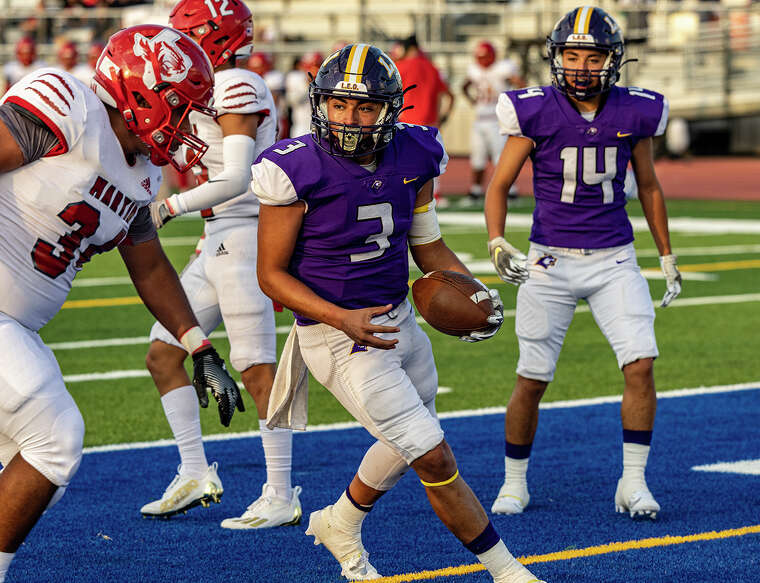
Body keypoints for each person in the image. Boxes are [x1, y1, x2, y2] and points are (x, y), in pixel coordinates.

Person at [253, 43, 544, 583]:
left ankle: (340, 521)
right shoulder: (293, 168)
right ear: (320, 103)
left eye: (364, 107)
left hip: (400, 320)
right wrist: (342, 319)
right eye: (339, 105)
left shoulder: (416, 153)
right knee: (431, 455)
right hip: (335, 334)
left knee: (407, 435)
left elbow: (427, 245)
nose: (349, 118)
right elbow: (271, 275)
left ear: (390, 109)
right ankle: (507, 572)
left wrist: (470, 290)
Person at [0, 24, 240, 582]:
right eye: (179, 107)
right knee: (55, 440)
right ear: (140, 92)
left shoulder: (141, 175)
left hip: (17, 324)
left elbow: (150, 265)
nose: (188, 126)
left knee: (32, 479)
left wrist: (199, 346)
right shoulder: (67, 108)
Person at [484, 6, 682, 521]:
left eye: (592, 56)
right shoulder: (535, 111)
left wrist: (665, 253)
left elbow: (651, 186)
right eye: (571, 55)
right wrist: (497, 241)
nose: (580, 66)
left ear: (612, 60)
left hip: (614, 257)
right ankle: (514, 482)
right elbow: (499, 185)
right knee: (532, 376)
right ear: (556, 58)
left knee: (641, 362)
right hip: (550, 260)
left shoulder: (636, 111)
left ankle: (633, 482)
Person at [141, 0, 303, 530]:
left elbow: (237, 177)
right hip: (218, 236)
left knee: (257, 368)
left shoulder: (235, 82)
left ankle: (280, 493)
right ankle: (194, 472)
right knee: (164, 353)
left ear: (213, 35)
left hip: (247, 233)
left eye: (183, 35)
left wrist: (169, 207)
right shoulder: (210, 83)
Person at [461, 40, 524, 206]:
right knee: (477, 158)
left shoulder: (503, 68)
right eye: (480, 57)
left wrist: (514, 101)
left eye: (485, 57)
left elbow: (520, 84)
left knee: (500, 158)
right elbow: (464, 86)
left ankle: (510, 192)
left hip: (498, 120)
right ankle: (475, 192)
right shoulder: (474, 70)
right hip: (480, 119)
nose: (482, 61)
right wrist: (472, 100)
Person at [395, 35, 455, 206]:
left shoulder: (400, 67)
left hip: (406, 122)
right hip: (430, 124)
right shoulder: (432, 67)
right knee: (432, 163)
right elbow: (450, 96)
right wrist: (444, 116)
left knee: (404, 163)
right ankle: (434, 196)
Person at [285, 50, 323, 138]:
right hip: (300, 127)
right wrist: (307, 86)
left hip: (321, 127)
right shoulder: (294, 77)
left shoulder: (326, 79)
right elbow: (292, 101)